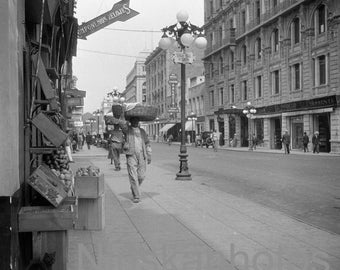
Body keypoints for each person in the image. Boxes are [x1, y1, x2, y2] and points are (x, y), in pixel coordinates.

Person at [115, 117, 152, 203]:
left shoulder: (142, 131)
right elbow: (121, 124)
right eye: (133, 120)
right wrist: (122, 117)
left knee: (141, 176)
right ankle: (136, 195)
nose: (135, 122)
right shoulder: (127, 130)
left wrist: (149, 154)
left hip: (142, 155)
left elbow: (147, 143)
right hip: (131, 154)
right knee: (132, 174)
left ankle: (133, 187)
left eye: (136, 120)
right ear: (130, 122)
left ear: (138, 121)